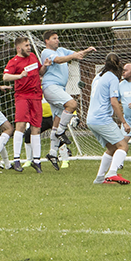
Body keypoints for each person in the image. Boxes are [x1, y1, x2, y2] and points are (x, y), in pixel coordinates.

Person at [39, 31, 95, 169]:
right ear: (47, 41)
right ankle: (60, 132)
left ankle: (52, 153)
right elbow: (58, 60)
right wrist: (73, 56)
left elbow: (77, 55)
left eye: (58, 38)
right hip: (50, 86)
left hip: (60, 88)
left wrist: (86, 51)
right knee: (72, 104)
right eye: (54, 38)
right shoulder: (46, 52)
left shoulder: (62, 50)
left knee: (57, 120)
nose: (57, 40)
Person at [86, 53, 131, 185]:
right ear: (118, 65)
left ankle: (99, 179)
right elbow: (114, 102)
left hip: (91, 119)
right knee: (123, 146)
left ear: (105, 64)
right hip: (102, 118)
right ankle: (112, 173)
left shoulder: (98, 77)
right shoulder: (112, 78)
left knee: (112, 148)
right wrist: (124, 122)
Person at [3, 37, 46, 173]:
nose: (29, 47)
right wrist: (19, 76)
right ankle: (16, 159)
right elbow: (5, 77)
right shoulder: (14, 61)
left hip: (36, 96)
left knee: (36, 127)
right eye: (26, 45)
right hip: (22, 96)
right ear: (18, 48)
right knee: (21, 125)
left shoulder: (33, 57)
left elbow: (40, 72)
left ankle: (37, 161)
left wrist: (45, 66)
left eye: (29, 45)